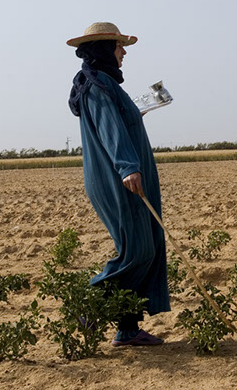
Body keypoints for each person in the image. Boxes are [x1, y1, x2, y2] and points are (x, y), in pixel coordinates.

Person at [67, 22, 170, 346]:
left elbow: (119, 121)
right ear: (103, 49)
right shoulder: (96, 85)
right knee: (138, 249)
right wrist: (128, 167)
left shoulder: (106, 83)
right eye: (118, 46)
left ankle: (127, 329)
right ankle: (87, 303)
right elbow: (110, 128)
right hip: (117, 178)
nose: (124, 52)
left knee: (145, 246)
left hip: (128, 175)